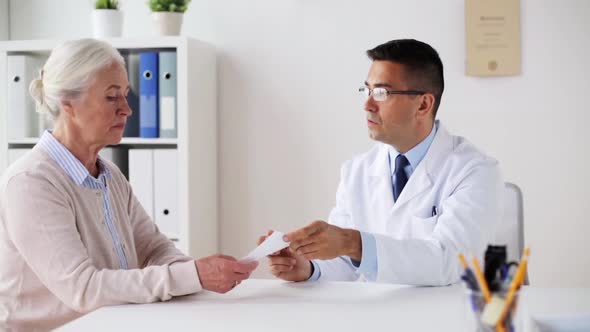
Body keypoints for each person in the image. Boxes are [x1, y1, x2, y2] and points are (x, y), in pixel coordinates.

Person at [0, 39, 258, 331]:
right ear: (69, 104)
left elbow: (154, 249)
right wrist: (194, 276)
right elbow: (83, 289)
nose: (127, 110)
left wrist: (200, 273)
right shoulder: (31, 183)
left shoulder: (108, 174)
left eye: (125, 95)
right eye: (112, 97)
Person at [260, 39, 503, 286]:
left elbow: (449, 262)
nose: (367, 105)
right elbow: (346, 263)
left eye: (381, 93)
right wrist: (309, 268)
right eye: (367, 90)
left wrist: (353, 242)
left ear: (423, 104)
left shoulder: (474, 171)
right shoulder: (356, 170)